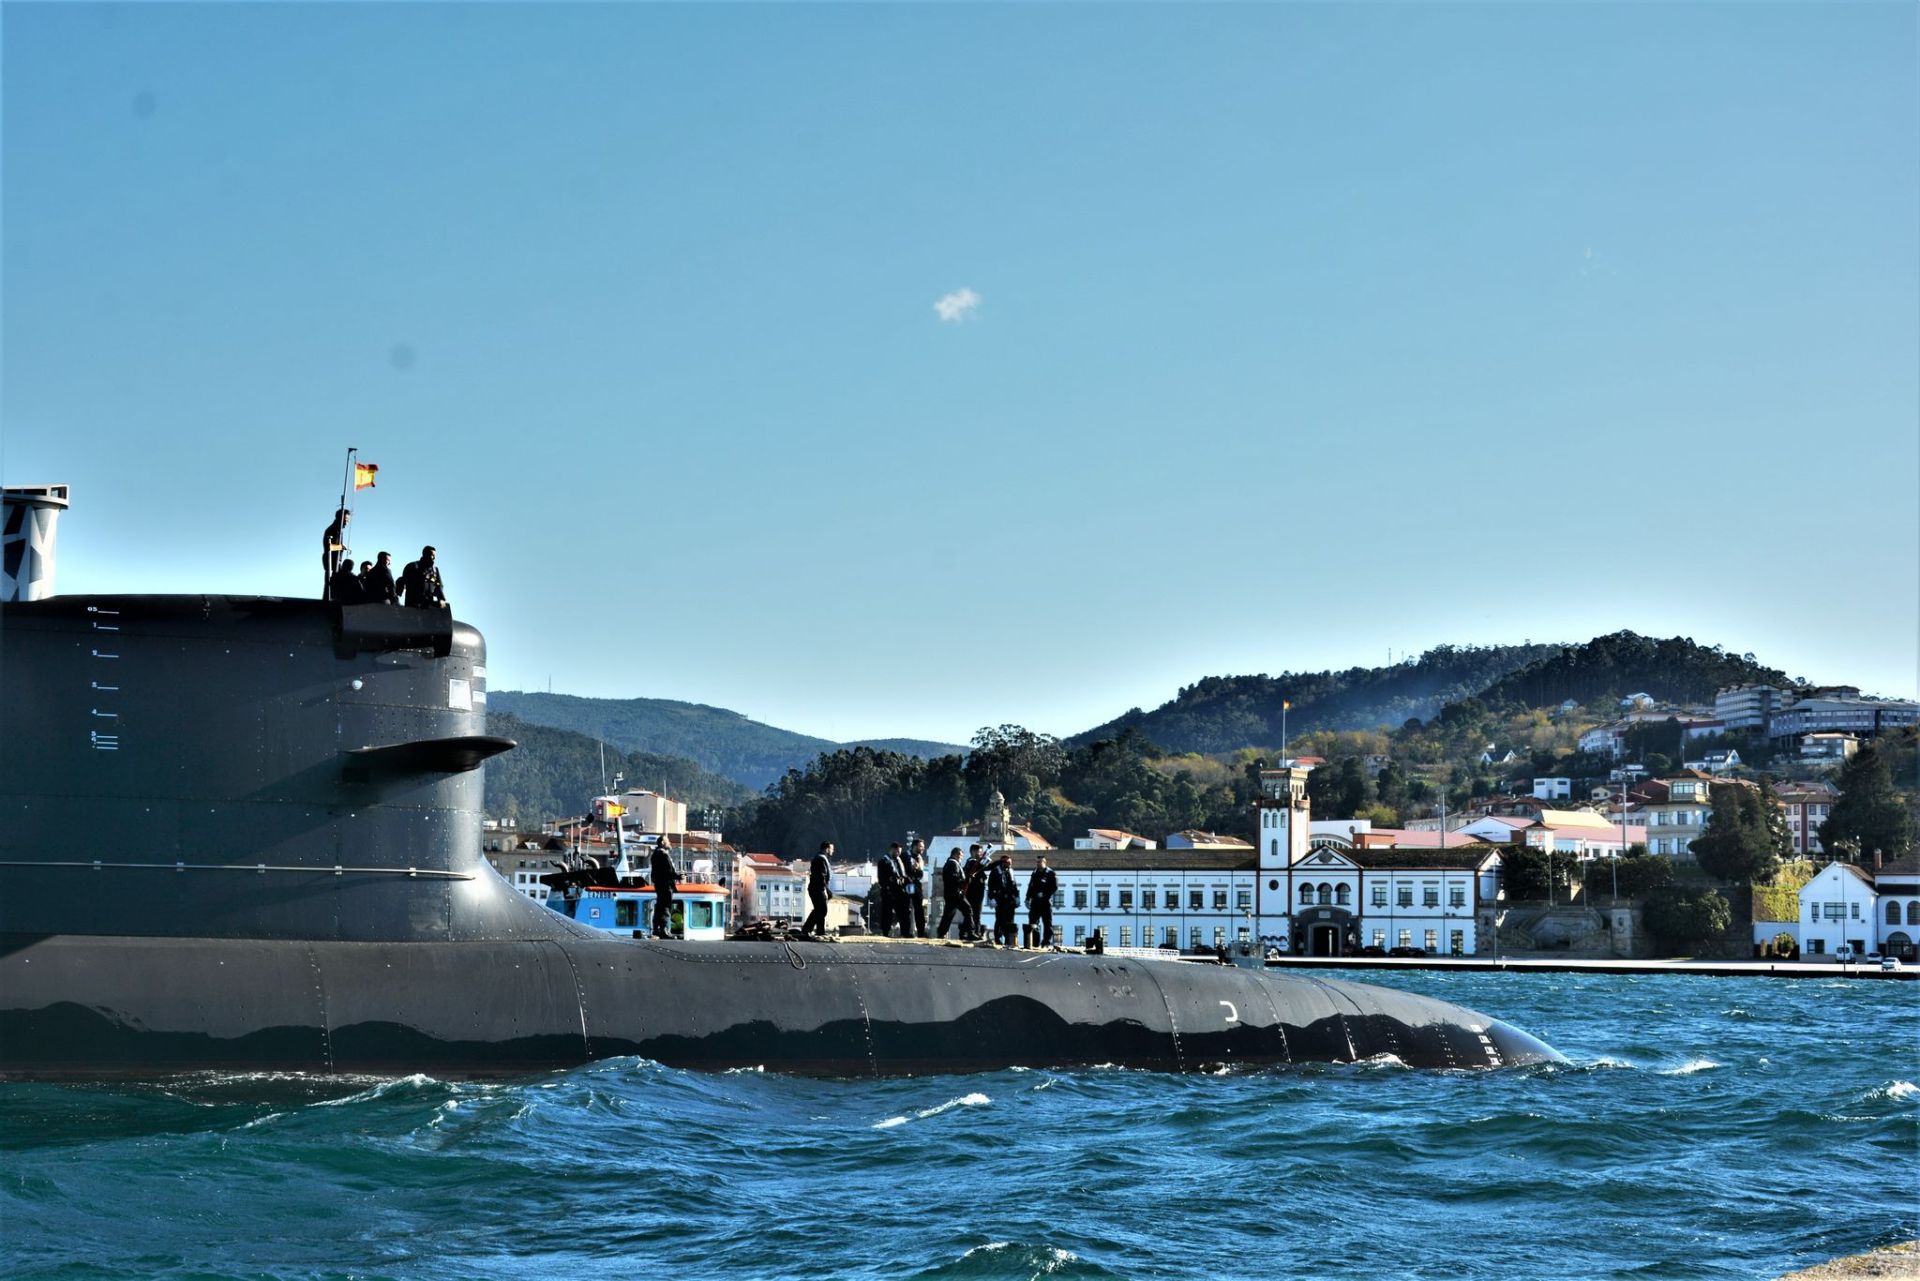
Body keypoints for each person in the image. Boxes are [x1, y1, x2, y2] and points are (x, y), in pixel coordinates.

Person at [799, 841, 834, 940]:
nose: (833, 851)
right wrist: (825, 890)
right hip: (817, 888)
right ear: (827, 849)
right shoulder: (820, 859)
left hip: (817, 888)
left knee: (819, 910)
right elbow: (821, 876)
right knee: (822, 910)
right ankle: (818, 932)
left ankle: (807, 930)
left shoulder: (820, 858)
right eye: (832, 849)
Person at [1025, 854, 1058, 947]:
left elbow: (1054, 887)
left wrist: (1045, 894)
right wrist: (1027, 898)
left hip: (1045, 902)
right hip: (1035, 902)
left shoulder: (1051, 873)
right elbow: (1030, 886)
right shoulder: (1035, 873)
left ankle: (1046, 942)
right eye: (1037, 862)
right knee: (1033, 922)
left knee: (1047, 923)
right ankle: (1035, 942)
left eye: (1039, 862)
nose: (1038, 864)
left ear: (1044, 862)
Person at [936, 846, 969, 939]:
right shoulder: (952, 864)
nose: (961, 858)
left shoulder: (951, 863)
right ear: (956, 855)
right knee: (968, 910)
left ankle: (941, 932)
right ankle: (969, 931)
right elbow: (953, 878)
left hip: (952, 893)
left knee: (949, 914)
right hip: (955, 893)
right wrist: (964, 880)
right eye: (960, 856)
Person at [988, 853, 1019, 946]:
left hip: (1010, 900)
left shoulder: (1011, 871)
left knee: (1010, 920)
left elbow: (1014, 885)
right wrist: (992, 898)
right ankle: (997, 938)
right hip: (1000, 899)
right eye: (1008, 862)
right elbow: (991, 886)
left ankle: (1008, 938)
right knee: (1000, 919)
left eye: (1010, 862)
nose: (1010, 864)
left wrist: (1017, 896)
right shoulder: (995, 871)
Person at [649, 839, 678, 939]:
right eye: (667, 841)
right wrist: (678, 876)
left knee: (659, 907)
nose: (669, 843)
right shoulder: (662, 854)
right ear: (662, 843)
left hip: (659, 884)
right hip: (665, 884)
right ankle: (664, 930)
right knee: (665, 906)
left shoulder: (655, 854)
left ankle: (656, 929)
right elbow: (668, 871)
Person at [874, 842, 904, 937]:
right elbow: (881, 878)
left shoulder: (898, 861)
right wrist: (887, 887)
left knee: (902, 911)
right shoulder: (884, 861)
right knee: (887, 912)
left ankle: (904, 931)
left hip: (898, 890)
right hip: (888, 890)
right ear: (892, 850)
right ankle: (886, 931)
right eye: (897, 852)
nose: (899, 854)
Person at [901, 838, 928, 939]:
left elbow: (921, 874)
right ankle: (906, 932)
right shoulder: (905, 855)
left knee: (919, 908)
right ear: (915, 846)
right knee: (906, 908)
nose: (923, 849)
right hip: (907, 884)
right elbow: (905, 870)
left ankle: (921, 932)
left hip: (916, 885)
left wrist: (916, 869)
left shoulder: (920, 859)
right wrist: (912, 870)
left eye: (923, 847)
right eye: (921, 846)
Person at [321, 507, 351, 598]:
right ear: (339, 518)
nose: (347, 522)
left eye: (348, 520)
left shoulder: (339, 530)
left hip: (336, 562)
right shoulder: (332, 529)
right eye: (345, 519)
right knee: (330, 584)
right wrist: (341, 547)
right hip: (330, 561)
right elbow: (329, 546)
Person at [962, 845, 988, 941]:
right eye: (979, 852)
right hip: (974, 891)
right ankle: (974, 932)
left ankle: (969, 931)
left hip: (977, 891)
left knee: (974, 913)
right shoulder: (971, 862)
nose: (980, 854)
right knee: (975, 913)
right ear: (973, 852)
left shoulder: (974, 862)